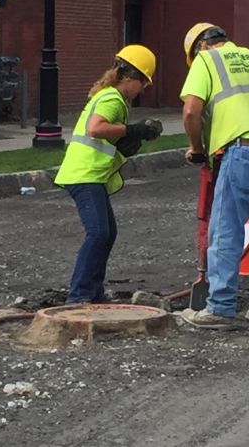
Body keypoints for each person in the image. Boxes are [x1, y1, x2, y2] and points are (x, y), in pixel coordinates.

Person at [179, 23, 249, 329]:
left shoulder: (205, 60)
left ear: (200, 47)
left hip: (243, 151)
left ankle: (220, 307)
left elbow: (191, 111)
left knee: (226, 229)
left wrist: (197, 148)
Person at [54, 45, 163, 304]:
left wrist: (128, 138)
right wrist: (133, 131)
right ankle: (79, 296)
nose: (144, 89)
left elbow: (109, 135)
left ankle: (93, 292)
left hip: (91, 174)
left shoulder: (111, 98)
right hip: (85, 174)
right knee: (99, 233)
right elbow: (96, 128)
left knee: (107, 232)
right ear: (129, 77)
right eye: (143, 82)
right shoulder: (112, 99)